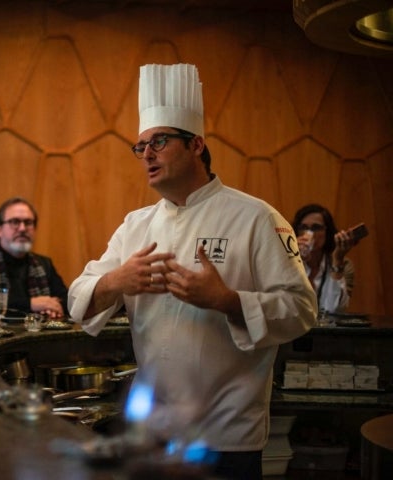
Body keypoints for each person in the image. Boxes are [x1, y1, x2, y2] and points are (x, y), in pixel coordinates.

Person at [67, 64, 317, 480]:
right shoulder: (135, 225)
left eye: (159, 142)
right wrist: (117, 281)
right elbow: (78, 298)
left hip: (227, 436)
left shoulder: (254, 217)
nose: (146, 154)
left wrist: (227, 301)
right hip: (155, 432)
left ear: (197, 144)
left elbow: (302, 309)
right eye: (141, 146)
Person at [0, 197, 68, 318]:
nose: (22, 228)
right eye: (15, 222)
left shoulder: (44, 264)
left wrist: (52, 307)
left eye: (28, 223)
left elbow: (65, 299)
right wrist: (30, 304)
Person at [292, 204, 360, 314]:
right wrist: (294, 259)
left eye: (316, 228)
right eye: (303, 227)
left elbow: (334, 309)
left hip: (327, 329)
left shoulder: (345, 265)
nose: (309, 233)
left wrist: (337, 260)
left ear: (327, 232)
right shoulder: (287, 261)